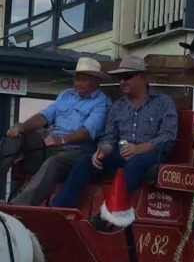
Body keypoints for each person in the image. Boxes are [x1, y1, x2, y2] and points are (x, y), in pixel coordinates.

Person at [49, 54, 178, 229]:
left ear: (142, 77)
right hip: (121, 152)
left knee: (135, 162)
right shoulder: (117, 106)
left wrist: (139, 148)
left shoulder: (163, 102)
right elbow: (109, 138)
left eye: (127, 77)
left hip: (152, 154)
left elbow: (168, 136)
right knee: (85, 161)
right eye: (119, 78)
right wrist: (102, 151)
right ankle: (58, 211)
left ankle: (108, 216)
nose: (122, 82)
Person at [0, 56, 110, 205]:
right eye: (77, 79)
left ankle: (19, 205)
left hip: (76, 152)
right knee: (20, 131)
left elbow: (87, 132)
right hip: (52, 142)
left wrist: (62, 139)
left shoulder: (102, 102)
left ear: (96, 81)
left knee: (55, 161)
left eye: (84, 80)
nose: (78, 83)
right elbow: (44, 116)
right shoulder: (66, 95)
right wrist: (21, 126)